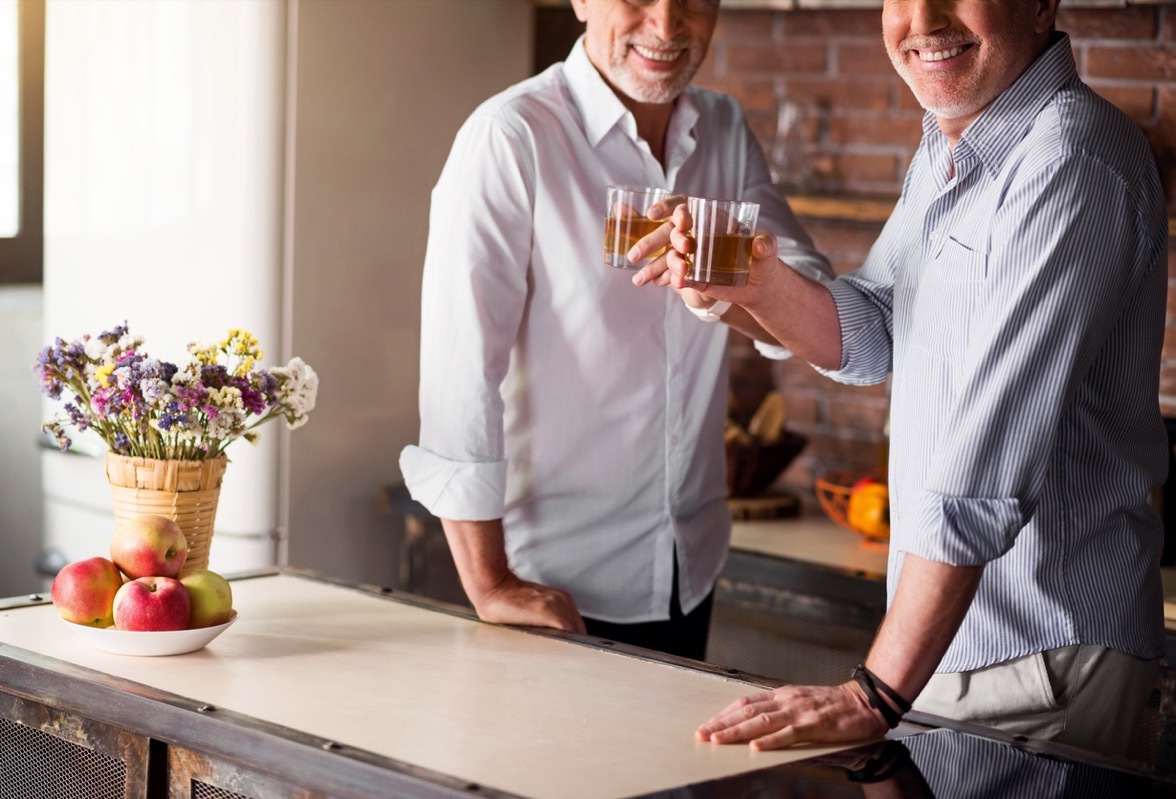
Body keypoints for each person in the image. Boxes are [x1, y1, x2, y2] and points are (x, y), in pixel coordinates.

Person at [634, 0, 1168, 753]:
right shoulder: (958, 145)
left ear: (1042, 4)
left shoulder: (1068, 161)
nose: (922, 17)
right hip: (975, 644)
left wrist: (874, 690)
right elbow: (879, 329)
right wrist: (749, 288)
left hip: (1040, 648)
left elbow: (980, 471)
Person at [398, 0, 831, 660]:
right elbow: (461, 372)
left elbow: (813, 300)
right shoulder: (510, 137)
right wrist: (490, 583)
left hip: (691, 568)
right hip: (553, 584)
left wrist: (723, 250)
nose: (665, 25)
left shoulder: (724, 126)